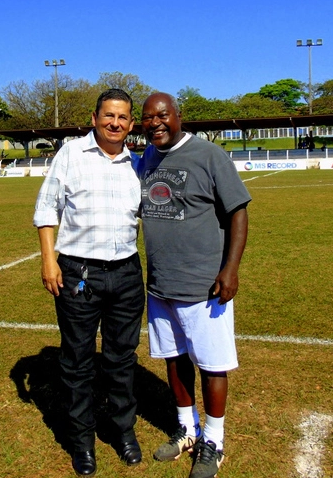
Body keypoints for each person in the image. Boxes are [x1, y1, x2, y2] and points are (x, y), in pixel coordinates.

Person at [137, 92, 251, 478]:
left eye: (162, 115)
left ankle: (214, 441)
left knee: (212, 364)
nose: (155, 123)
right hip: (160, 285)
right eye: (148, 118)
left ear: (178, 116)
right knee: (174, 358)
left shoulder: (208, 155)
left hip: (203, 284)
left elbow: (237, 212)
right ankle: (187, 428)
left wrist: (230, 269)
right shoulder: (148, 158)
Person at [33, 88, 145, 476]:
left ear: (131, 123)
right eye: (108, 116)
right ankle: (82, 441)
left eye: (123, 118)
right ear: (94, 118)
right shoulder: (71, 154)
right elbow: (47, 207)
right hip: (79, 273)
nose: (115, 123)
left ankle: (123, 431)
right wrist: (49, 261)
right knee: (78, 361)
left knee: (121, 359)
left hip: (127, 273)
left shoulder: (139, 162)